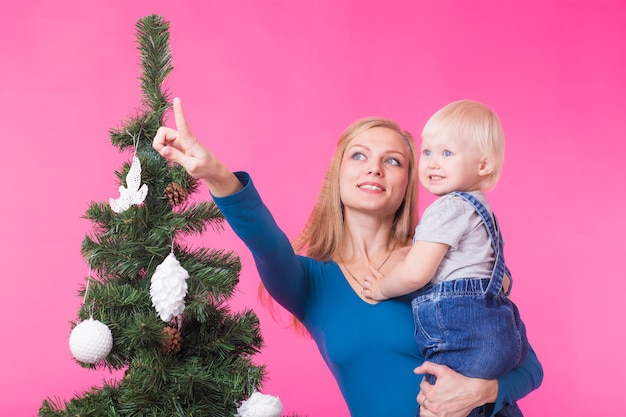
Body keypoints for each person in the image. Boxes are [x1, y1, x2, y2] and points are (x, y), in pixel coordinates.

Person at [153, 97, 543, 417]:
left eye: (393, 160)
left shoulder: (444, 262)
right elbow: (265, 240)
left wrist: (482, 391)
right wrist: (217, 173)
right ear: (338, 173)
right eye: (359, 156)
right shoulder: (310, 284)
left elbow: (529, 367)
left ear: (410, 180)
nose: (374, 167)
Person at [362, 99, 529, 416]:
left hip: (464, 337)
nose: (432, 163)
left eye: (447, 153)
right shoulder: (482, 212)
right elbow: (502, 280)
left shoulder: (447, 207)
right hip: (502, 335)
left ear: (482, 166)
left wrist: (382, 288)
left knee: (437, 407)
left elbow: (415, 274)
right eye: (427, 152)